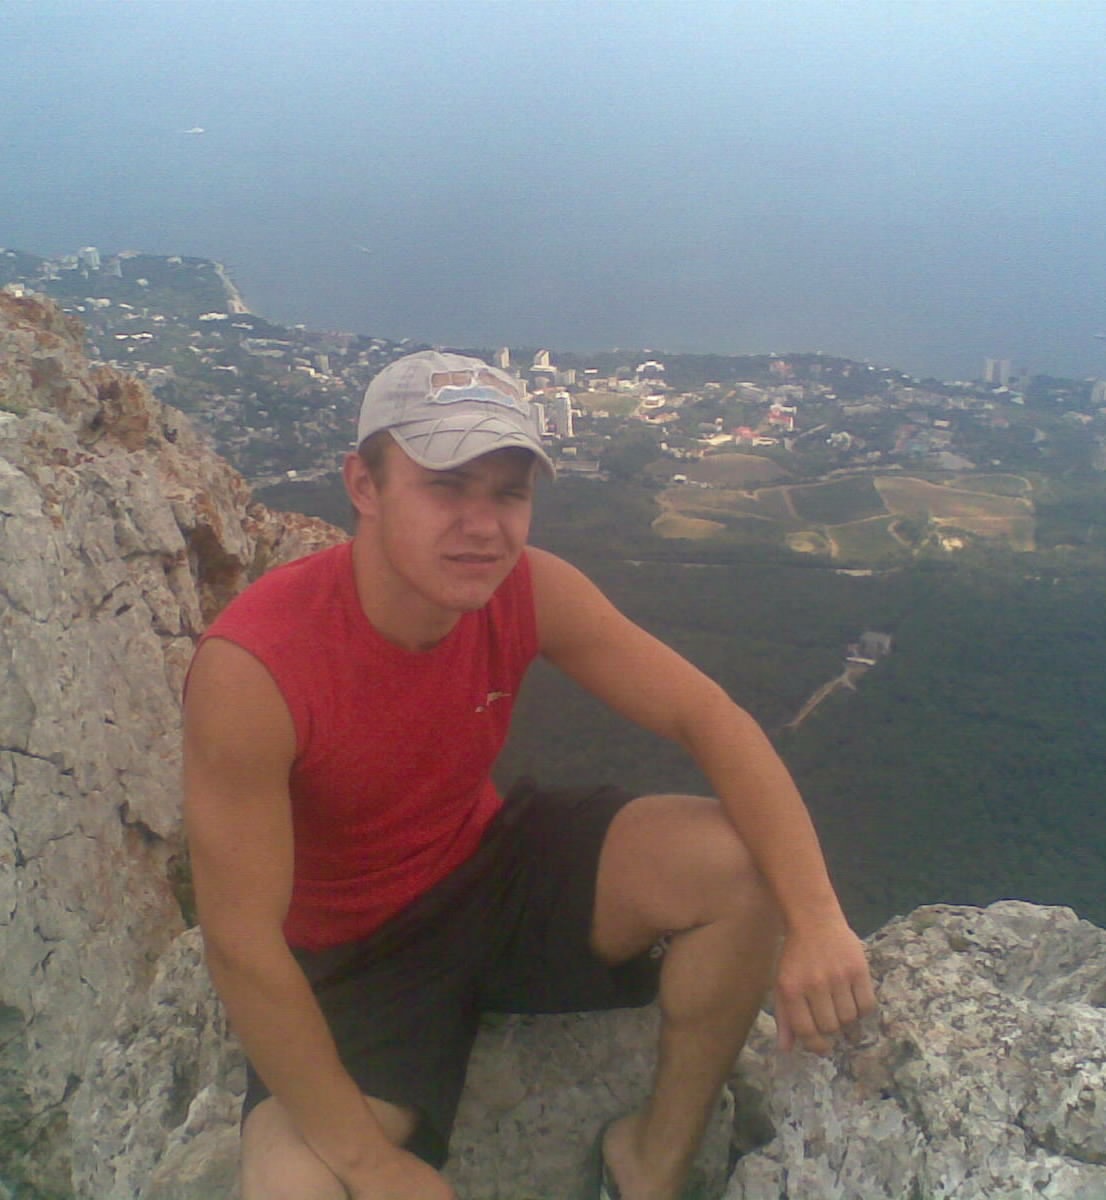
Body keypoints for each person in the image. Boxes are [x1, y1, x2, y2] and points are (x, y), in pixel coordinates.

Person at [183, 350, 876, 1200]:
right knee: (293, 1189)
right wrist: (372, 1165)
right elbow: (242, 943)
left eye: (509, 493)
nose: (484, 526)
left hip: (490, 866)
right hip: (356, 957)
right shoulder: (257, 669)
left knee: (741, 863)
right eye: (447, 486)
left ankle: (652, 1163)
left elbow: (710, 718)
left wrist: (818, 919)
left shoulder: (529, 590)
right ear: (363, 484)